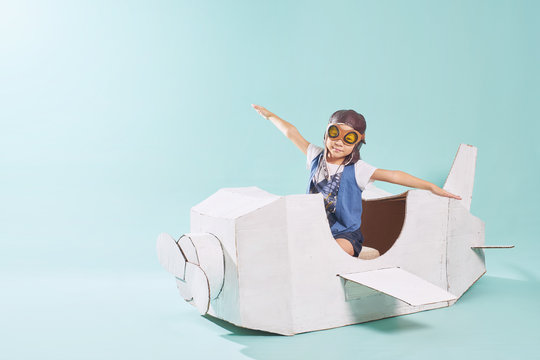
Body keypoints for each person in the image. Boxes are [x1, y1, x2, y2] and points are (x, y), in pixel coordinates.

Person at [251, 104, 461, 260]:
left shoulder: (359, 170)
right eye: (335, 134)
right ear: (326, 134)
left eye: (348, 138)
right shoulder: (315, 156)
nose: (339, 142)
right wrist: (269, 116)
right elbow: (291, 132)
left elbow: (395, 176)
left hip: (345, 234)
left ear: (357, 143)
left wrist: (432, 187)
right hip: (312, 227)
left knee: (329, 254)